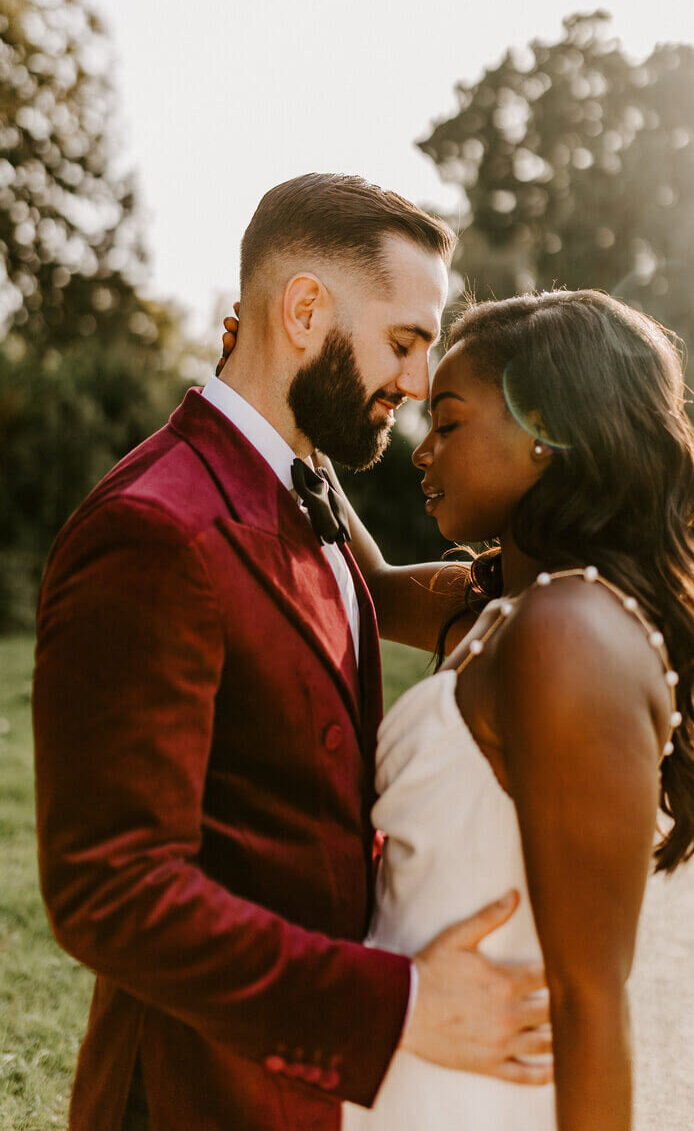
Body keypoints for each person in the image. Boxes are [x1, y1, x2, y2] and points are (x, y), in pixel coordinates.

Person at [32, 174, 553, 1131]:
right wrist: (392, 1008)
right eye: (404, 341)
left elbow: (382, 604)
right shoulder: (153, 533)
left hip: (306, 1098)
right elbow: (108, 891)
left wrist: (583, 561)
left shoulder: (299, 482)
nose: (420, 380)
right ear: (305, 311)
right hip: (199, 1097)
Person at [222, 287, 694, 1130]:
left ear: (549, 433)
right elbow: (374, 592)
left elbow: (591, 1001)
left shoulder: (567, 635)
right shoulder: (508, 607)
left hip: (474, 1102)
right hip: (411, 1073)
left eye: (450, 422)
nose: (422, 454)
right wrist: (276, 398)